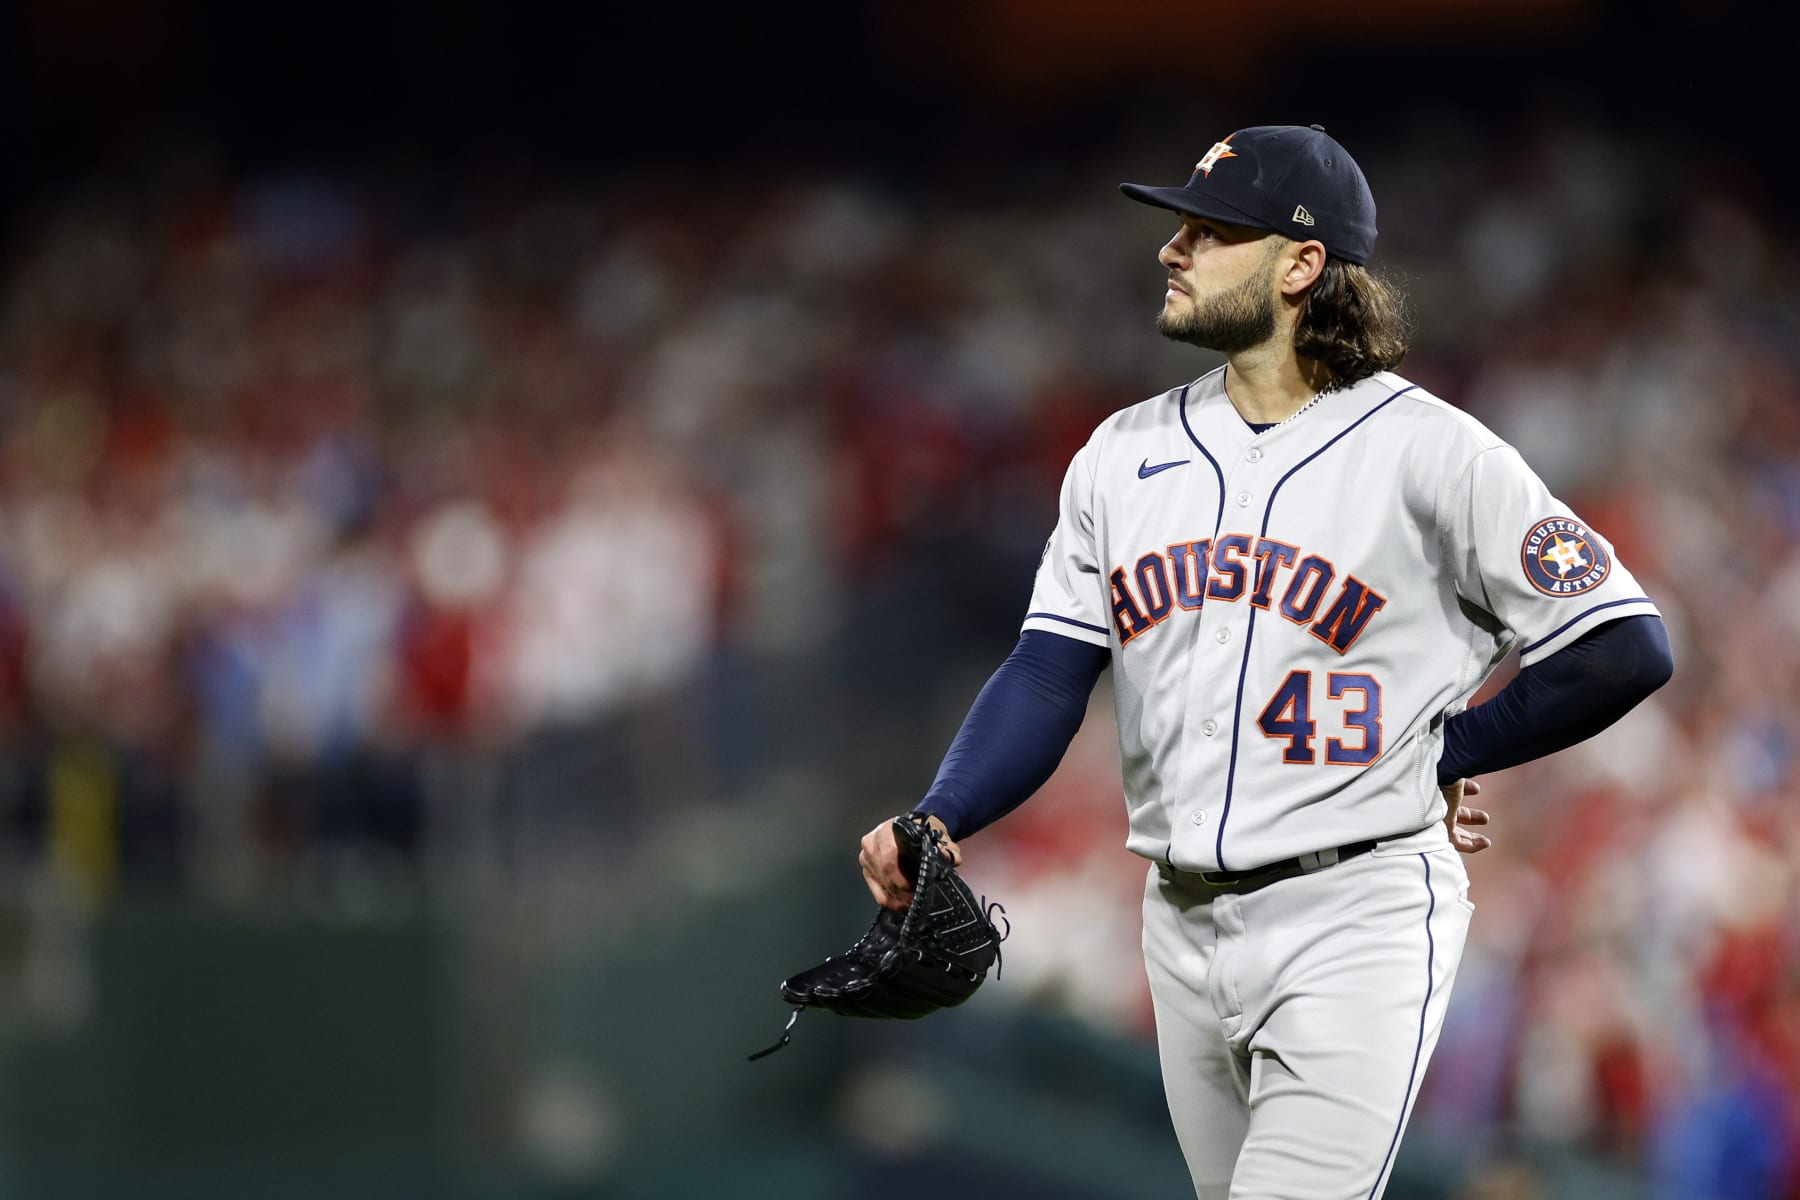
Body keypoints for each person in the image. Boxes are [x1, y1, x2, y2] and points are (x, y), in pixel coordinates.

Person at [856, 125, 1673, 1198]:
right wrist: (945, 809)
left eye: (1210, 230)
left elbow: (1624, 644)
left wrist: (1445, 749)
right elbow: (1050, 667)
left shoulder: (1433, 453)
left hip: (1357, 910)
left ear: (1300, 265)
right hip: (1180, 920)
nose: (1173, 249)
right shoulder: (1122, 453)